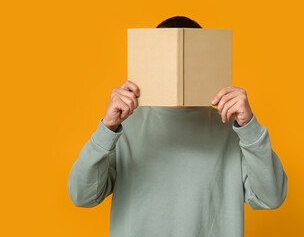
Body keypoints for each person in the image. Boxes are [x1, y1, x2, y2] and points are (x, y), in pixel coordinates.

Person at [67, 16, 288, 237]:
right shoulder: (123, 127)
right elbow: (82, 196)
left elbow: (271, 197)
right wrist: (107, 128)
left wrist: (249, 126)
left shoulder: (233, 128)